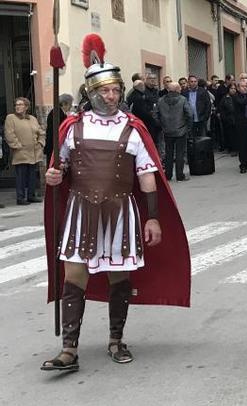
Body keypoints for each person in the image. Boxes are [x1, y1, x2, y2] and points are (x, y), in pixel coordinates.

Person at [40, 34, 190, 371]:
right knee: (73, 275)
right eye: (105, 91)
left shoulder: (132, 128)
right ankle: (69, 349)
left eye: (115, 90)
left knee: (118, 278)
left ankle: (116, 339)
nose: (111, 96)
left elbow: (147, 175)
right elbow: (58, 169)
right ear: (91, 94)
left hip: (121, 212)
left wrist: (153, 218)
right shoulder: (71, 128)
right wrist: (52, 177)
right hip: (80, 210)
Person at [5, 97, 45, 205]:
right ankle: (20, 197)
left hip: (34, 152)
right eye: (16, 105)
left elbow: (41, 132)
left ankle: (31, 195)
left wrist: (41, 143)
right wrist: (17, 146)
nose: (18, 106)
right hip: (21, 152)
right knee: (21, 176)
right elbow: (9, 134)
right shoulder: (11, 118)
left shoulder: (32, 118)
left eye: (20, 104)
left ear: (26, 107)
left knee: (32, 175)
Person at [157, 82, 193, 181]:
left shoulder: (160, 100)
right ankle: (180, 175)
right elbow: (189, 114)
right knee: (180, 153)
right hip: (180, 129)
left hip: (167, 130)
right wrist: (188, 127)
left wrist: (162, 125)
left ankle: (168, 175)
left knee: (168, 153)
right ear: (177, 89)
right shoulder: (182, 99)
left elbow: (156, 115)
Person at [44, 93, 74, 176]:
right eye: (70, 104)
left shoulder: (58, 112)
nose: (70, 107)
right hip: (54, 146)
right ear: (64, 104)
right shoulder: (58, 114)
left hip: (53, 145)